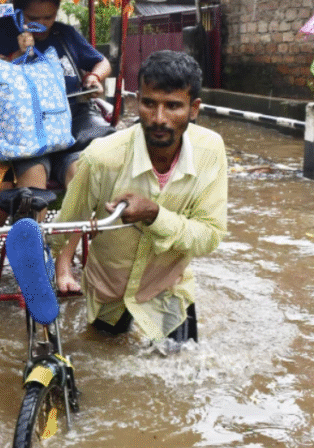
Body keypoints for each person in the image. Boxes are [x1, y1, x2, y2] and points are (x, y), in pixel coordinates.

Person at [53, 50, 227, 348]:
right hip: (109, 290)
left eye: (173, 106)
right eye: (149, 104)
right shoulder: (102, 157)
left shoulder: (210, 152)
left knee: (180, 367)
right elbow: (67, 225)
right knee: (102, 361)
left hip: (168, 287)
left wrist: (154, 214)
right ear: (137, 102)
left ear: (194, 109)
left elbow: (209, 236)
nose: (159, 119)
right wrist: (49, 264)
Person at [0, 0, 114, 191]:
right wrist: (19, 55)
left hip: (72, 127)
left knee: (79, 175)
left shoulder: (64, 34)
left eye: (48, 18)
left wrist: (93, 77)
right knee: (33, 183)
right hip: (27, 131)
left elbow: (102, 62)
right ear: (17, 12)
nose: (42, 25)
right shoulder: (3, 31)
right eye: (33, 19)